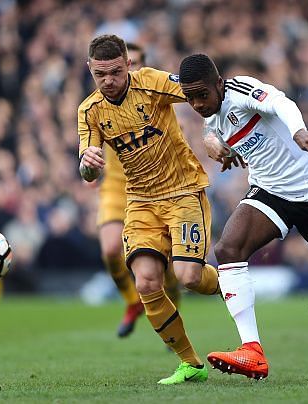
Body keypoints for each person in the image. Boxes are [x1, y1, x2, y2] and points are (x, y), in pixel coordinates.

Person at [178, 54, 308, 380]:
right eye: (190, 98)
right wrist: (214, 143)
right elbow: (214, 126)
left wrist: (299, 131)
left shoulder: (242, 90)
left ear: (219, 84)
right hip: (271, 193)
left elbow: (280, 103)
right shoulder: (211, 113)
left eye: (202, 94)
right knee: (228, 249)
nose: (197, 103)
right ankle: (252, 350)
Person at [78, 35, 221, 385]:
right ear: (90, 70)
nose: (108, 81)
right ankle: (190, 363)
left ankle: (233, 283)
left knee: (188, 277)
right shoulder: (89, 110)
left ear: (128, 64)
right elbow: (86, 168)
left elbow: (203, 96)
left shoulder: (153, 82)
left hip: (183, 191)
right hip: (140, 200)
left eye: (114, 72)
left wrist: (212, 132)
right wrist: (88, 164)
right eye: (100, 74)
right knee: (146, 281)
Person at [94, 42, 181, 338]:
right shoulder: (100, 102)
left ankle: (172, 313)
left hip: (157, 186)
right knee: (109, 249)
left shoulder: (153, 92)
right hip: (117, 186)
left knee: (167, 265)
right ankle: (133, 302)